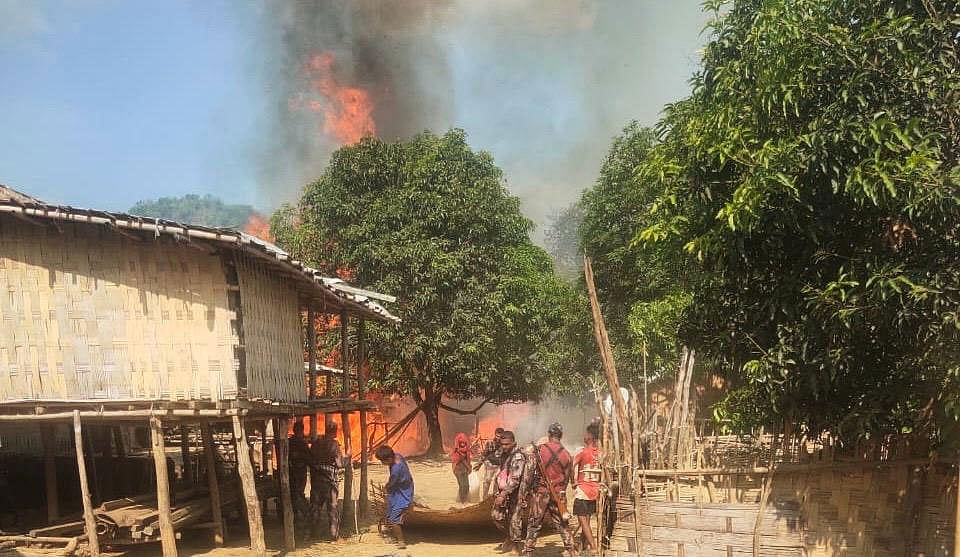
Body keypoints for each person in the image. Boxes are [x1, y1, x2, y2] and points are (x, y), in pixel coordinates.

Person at [524, 422, 576, 556]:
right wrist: (560, 490)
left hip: (541, 492)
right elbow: (570, 478)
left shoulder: (540, 450)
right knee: (563, 524)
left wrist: (525, 492)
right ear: (561, 435)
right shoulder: (567, 455)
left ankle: (528, 551)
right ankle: (571, 550)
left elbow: (529, 473)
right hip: (559, 493)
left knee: (534, 523)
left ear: (549, 434)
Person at [491, 430, 526, 555]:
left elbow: (515, 480)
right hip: (503, 492)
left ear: (514, 443)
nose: (504, 446)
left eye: (507, 444)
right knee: (496, 516)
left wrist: (503, 494)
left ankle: (516, 548)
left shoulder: (518, 457)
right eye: (502, 444)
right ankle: (510, 537)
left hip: (516, 494)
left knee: (515, 520)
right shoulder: (503, 454)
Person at [309, 419, 345, 539]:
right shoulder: (334, 445)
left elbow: (311, 459)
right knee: (332, 508)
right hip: (330, 483)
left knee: (316, 507)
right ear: (334, 432)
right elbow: (339, 464)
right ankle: (334, 535)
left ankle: (314, 533)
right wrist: (347, 458)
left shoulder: (316, 443)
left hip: (317, 481)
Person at [376, 445, 414, 550]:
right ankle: (393, 533)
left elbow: (392, 482)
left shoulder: (396, 470)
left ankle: (401, 541)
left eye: (382, 461)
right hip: (402, 488)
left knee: (394, 519)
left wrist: (385, 488)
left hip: (402, 492)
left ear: (389, 459)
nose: (382, 464)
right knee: (390, 508)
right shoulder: (398, 456)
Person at [573, 423, 602, 555]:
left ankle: (593, 546)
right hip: (595, 491)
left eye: (586, 433)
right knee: (587, 520)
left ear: (590, 436)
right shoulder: (600, 453)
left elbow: (571, 466)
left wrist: (573, 482)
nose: (584, 436)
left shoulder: (582, 451)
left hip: (583, 490)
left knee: (582, 520)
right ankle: (582, 546)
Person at [288, 420, 313, 526]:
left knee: (294, 494)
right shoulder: (302, 443)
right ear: (301, 431)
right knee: (299, 494)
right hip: (300, 472)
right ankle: (306, 514)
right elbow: (309, 457)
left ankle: (296, 515)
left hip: (291, 471)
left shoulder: (289, 442)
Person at [475, 427, 505, 497]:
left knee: (497, 481)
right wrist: (479, 464)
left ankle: (494, 496)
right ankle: (484, 498)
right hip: (490, 464)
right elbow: (484, 453)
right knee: (487, 481)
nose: (498, 438)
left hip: (499, 465)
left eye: (500, 437)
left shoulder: (504, 444)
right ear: (495, 435)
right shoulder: (489, 442)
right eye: (497, 436)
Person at [450, 432, 473, 503]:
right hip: (458, 470)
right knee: (462, 486)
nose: (462, 444)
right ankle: (463, 502)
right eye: (461, 442)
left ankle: (464, 500)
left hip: (465, 470)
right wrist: (469, 467)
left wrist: (469, 467)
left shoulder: (467, 451)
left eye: (464, 442)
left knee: (467, 486)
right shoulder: (456, 452)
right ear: (458, 443)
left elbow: (468, 460)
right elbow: (459, 461)